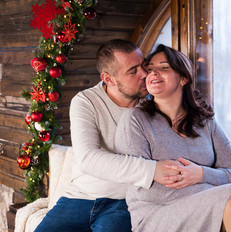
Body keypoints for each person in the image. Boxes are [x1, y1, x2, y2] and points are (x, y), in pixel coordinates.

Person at [34, 40, 203, 232]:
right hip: (79, 197)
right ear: (109, 79)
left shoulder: (156, 102)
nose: (144, 74)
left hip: (125, 202)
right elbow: (88, 159)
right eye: (133, 71)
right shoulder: (86, 101)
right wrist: (152, 170)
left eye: (144, 65)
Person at [114, 44, 231, 232]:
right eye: (150, 69)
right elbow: (144, 188)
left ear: (183, 78)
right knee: (230, 196)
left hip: (205, 204)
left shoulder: (205, 122)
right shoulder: (135, 119)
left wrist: (201, 174)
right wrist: (210, 191)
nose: (153, 74)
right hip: (156, 215)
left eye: (164, 67)